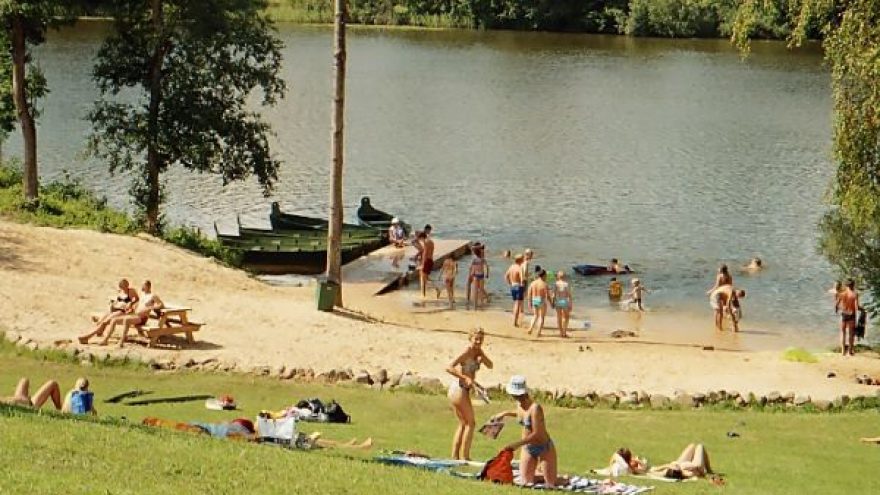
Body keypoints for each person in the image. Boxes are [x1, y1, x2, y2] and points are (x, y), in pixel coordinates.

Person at [491, 376, 557, 488]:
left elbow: (537, 434)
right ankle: (540, 473)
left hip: (544, 447)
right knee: (526, 482)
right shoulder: (520, 404)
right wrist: (504, 413)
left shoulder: (535, 408)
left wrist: (516, 444)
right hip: (528, 448)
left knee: (550, 484)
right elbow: (521, 414)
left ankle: (557, 477)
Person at [446, 328, 493, 460]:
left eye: (481, 339)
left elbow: (490, 365)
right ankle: (465, 457)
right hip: (458, 388)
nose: (478, 341)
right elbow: (449, 367)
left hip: (462, 390)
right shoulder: (466, 351)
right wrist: (464, 378)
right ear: (470, 338)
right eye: (476, 339)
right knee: (471, 423)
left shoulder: (478, 352)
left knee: (463, 423)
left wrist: (482, 358)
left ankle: (455, 457)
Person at [99, 280, 164, 347]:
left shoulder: (153, 296)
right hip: (134, 315)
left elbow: (161, 305)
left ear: (148, 286)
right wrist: (132, 307)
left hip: (142, 317)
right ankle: (105, 340)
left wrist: (151, 308)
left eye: (143, 285)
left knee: (126, 320)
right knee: (114, 320)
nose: (141, 287)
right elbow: (138, 303)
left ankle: (121, 342)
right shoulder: (142, 294)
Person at [78, 279, 139, 344]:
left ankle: (87, 337)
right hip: (115, 309)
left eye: (124, 285)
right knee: (101, 321)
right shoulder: (121, 292)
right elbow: (117, 300)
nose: (124, 287)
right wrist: (112, 304)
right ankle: (96, 332)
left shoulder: (131, 291)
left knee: (105, 322)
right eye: (122, 286)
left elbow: (137, 299)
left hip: (122, 311)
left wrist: (131, 304)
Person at [835, 279, 860, 356]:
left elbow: (837, 304)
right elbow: (857, 307)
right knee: (851, 333)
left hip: (844, 314)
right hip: (852, 314)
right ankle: (850, 351)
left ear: (846, 285)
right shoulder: (855, 294)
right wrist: (862, 310)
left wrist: (837, 310)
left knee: (843, 332)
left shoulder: (842, 293)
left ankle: (843, 351)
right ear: (853, 285)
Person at [527, 270, 550, 336]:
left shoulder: (533, 283)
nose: (546, 277)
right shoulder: (544, 284)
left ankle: (530, 328)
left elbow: (529, 293)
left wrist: (529, 302)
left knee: (535, 315)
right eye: (546, 275)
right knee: (541, 317)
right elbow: (547, 295)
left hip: (535, 299)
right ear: (543, 276)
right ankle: (538, 332)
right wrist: (551, 303)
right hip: (541, 299)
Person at [505, 254, 526, 326]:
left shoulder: (511, 267)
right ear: (520, 260)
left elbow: (506, 276)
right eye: (522, 259)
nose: (523, 260)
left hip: (513, 286)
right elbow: (522, 279)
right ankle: (515, 322)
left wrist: (510, 283)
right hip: (518, 286)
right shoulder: (520, 268)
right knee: (517, 304)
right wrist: (523, 287)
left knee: (515, 303)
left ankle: (515, 320)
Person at [552, 271, 572, 338]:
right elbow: (569, 295)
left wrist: (552, 302)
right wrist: (570, 304)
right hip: (564, 301)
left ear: (558, 276)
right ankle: (564, 332)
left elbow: (553, 295)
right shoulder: (566, 284)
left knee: (559, 317)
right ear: (564, 276)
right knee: (566, 317)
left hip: (558, 301)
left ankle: (560, 332)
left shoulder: (556, 284)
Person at [416, 231, 435, 299]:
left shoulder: (426, 242)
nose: (420, 241)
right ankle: (436, 288)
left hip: (426, 261)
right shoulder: (431, 241)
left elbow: (425, 253)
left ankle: (423, 295)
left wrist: (422, 264)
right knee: (426, 278)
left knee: (422, 278)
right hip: (430, 260)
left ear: (422, 237)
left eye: (420, 239)